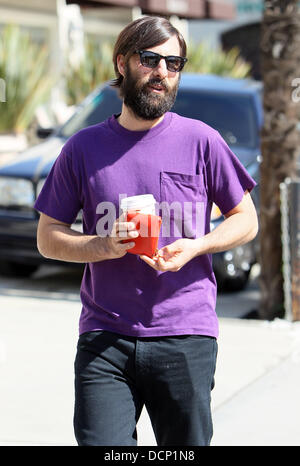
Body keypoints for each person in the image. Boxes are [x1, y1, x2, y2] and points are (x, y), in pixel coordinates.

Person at [34, 16, 258, 446]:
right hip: (105, 336)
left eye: (173, 63)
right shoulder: (82, 149)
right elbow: (48, 237)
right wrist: (103, 245)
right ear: (122, 63)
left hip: (185, 333)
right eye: (150, 58)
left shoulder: (202, 141)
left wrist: (198, 246)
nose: (162, 73)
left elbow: (246, 219)